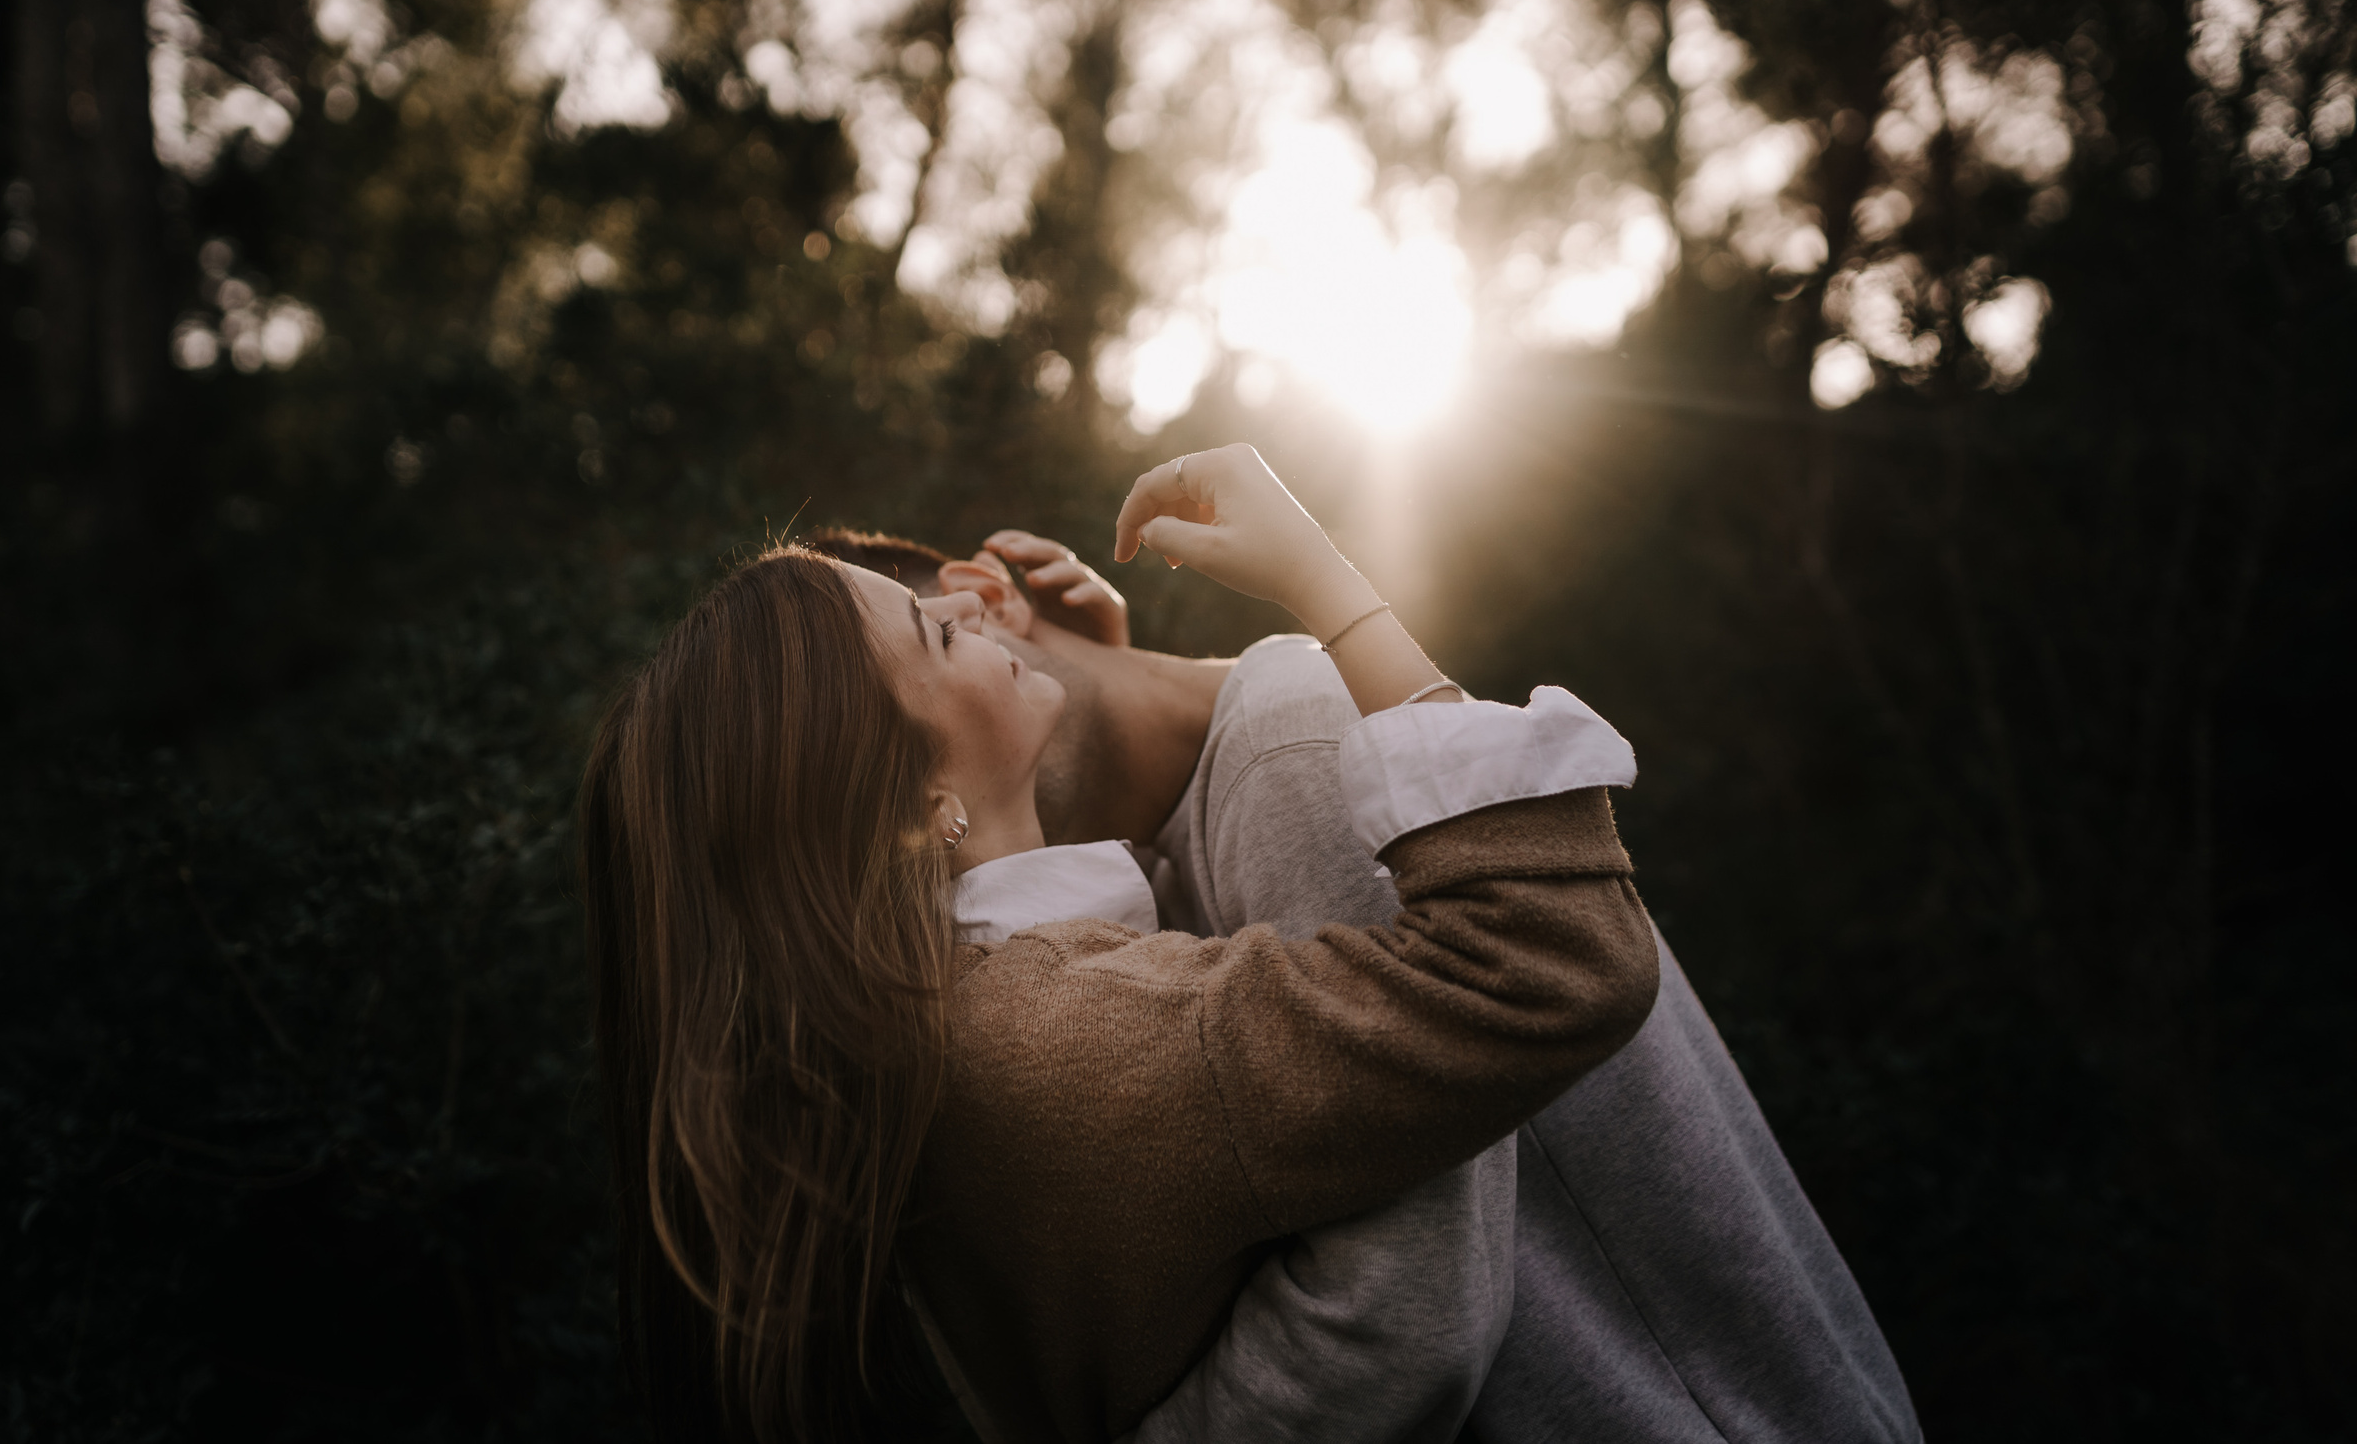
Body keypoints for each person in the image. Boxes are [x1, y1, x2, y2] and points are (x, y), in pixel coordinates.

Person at [581, 444, 1661, 1444]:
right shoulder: (1067, 1034)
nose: (967, 605)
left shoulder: (940, 1025)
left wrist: (1101, 705)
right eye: (935, 634)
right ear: (919, 807)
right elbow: (1552, 960)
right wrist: (1328, 584)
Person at [824, 507, 1921, 1442]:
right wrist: (1109, 701)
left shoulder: (1289, 751)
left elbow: (1401, 1310)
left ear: (984, 600)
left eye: (941, 629)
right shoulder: (1193, 824)